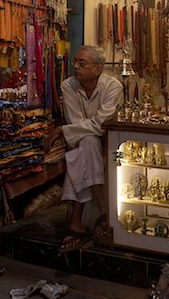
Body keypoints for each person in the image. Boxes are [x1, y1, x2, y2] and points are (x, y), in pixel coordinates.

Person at [44, 45, 124, 252]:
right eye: (75, 62)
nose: (75, 67)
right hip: (83, 141)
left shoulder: (113, 86)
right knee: (87, 143)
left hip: (110, 141)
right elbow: (78, 122)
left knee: (85, 148)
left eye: (82, 63)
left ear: (97, 69)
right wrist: (70, 128)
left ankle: (76, 222)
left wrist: (64, 130)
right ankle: (105, 211)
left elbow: (100, 125)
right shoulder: (68, 86)